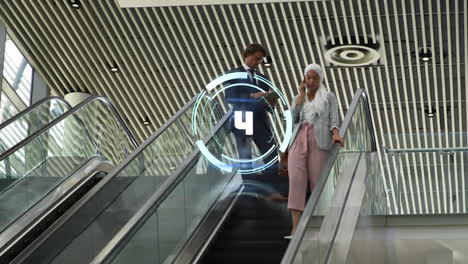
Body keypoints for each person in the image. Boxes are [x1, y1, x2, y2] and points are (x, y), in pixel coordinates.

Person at [286, 64, 344, 237]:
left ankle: (322, 226)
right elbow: (293, 119)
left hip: (319, 141)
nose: (311, 81)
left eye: (314, 77)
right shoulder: (298, 97)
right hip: (298, 139)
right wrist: (301, 95)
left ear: (320, 78)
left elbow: (334, 118)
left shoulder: (329, 96)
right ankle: (296, 228)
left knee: (319, 183)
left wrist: (336, 133)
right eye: (308, 77)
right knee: (296, 180)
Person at [224, 43, 287, 199]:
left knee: (271, 154)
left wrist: (270, 101)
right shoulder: (233, 74)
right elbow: (229, 97)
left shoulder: (262, 78)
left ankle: (273, 191)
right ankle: (250, 191)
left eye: (260, 60)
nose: (258, 62)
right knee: (245, 157)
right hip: (242, 118)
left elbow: (267, 101)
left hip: (260, 119)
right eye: (256, 59)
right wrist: (253, 96)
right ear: (247, 55)